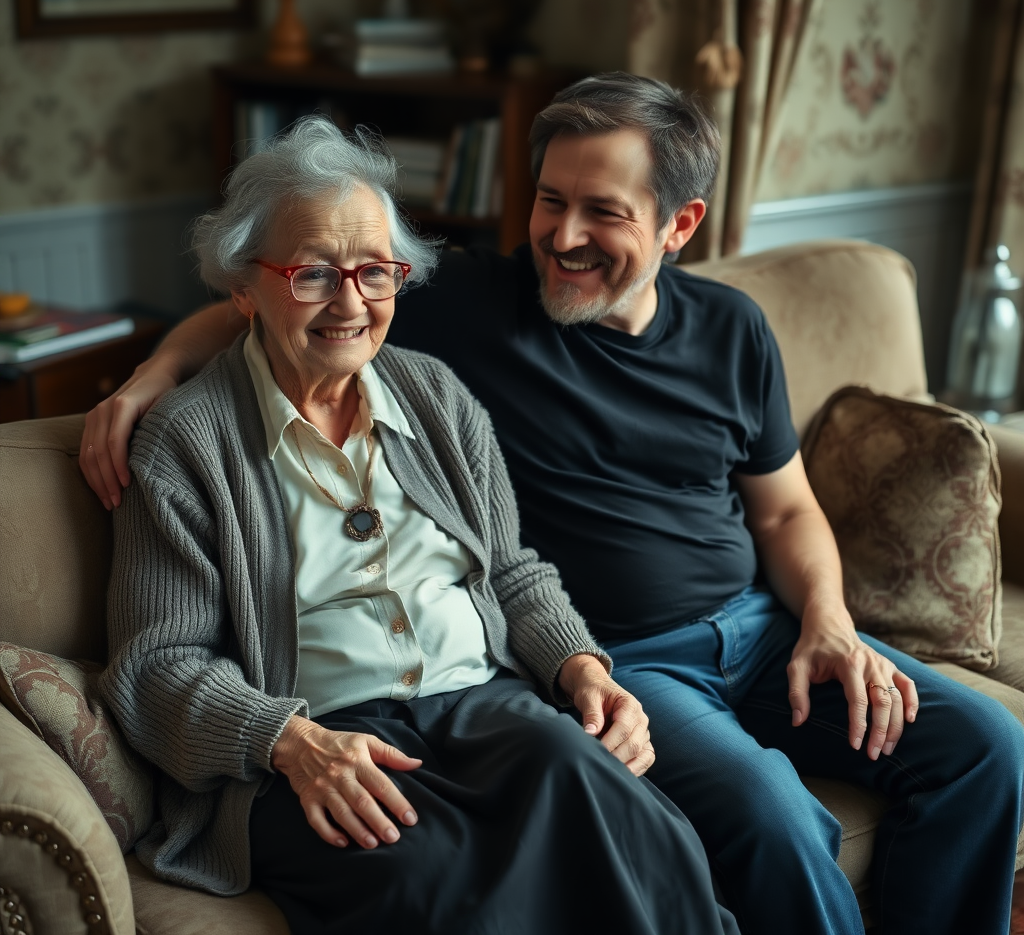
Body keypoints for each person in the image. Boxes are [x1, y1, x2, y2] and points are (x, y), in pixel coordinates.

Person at [86, 75, 1024, 935]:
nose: (564, 235)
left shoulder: (453, 389)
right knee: (496, 875)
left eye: (376, 272)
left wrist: (809, 625)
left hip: (630, 666)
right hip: (458, 700)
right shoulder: (228, 424)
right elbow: (160, 656)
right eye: (550, 199)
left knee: (958, 757)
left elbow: (561, 560)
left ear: (678, 224)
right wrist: (154, 375)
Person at [96, 116, 739, 935]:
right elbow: (157, 665)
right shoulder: (186, 443)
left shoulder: (437, 396)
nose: (350, 302)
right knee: (435, 887)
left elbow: (510, 571)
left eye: (375, 272)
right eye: (313, 275)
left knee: (647, 835)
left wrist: (581, 666)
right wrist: (289, 741)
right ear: (242, 285)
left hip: (487, 707)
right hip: (318, 738)